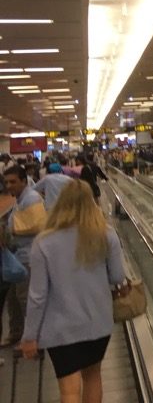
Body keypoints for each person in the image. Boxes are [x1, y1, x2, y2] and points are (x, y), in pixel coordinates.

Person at [20, 180, 129, 403]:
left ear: (60, 204)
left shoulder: (43, 243)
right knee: (93, 377)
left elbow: (37, 296)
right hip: (97, 323)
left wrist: (30, 336)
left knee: (69, 390)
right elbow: (118, 277)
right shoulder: (106, 235)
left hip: (60, 329)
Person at [1, 165, 45, 345]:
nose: (8, 186)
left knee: (25, 299)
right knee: (13, 299)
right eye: (6, 182)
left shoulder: (31, 199)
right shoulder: (20, 200)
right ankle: (16, 333)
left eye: (13, 182)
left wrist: (8, 230)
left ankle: (34, 339)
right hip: (17, 258)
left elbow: (36, 225)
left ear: (24, 181)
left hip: (28, 257)